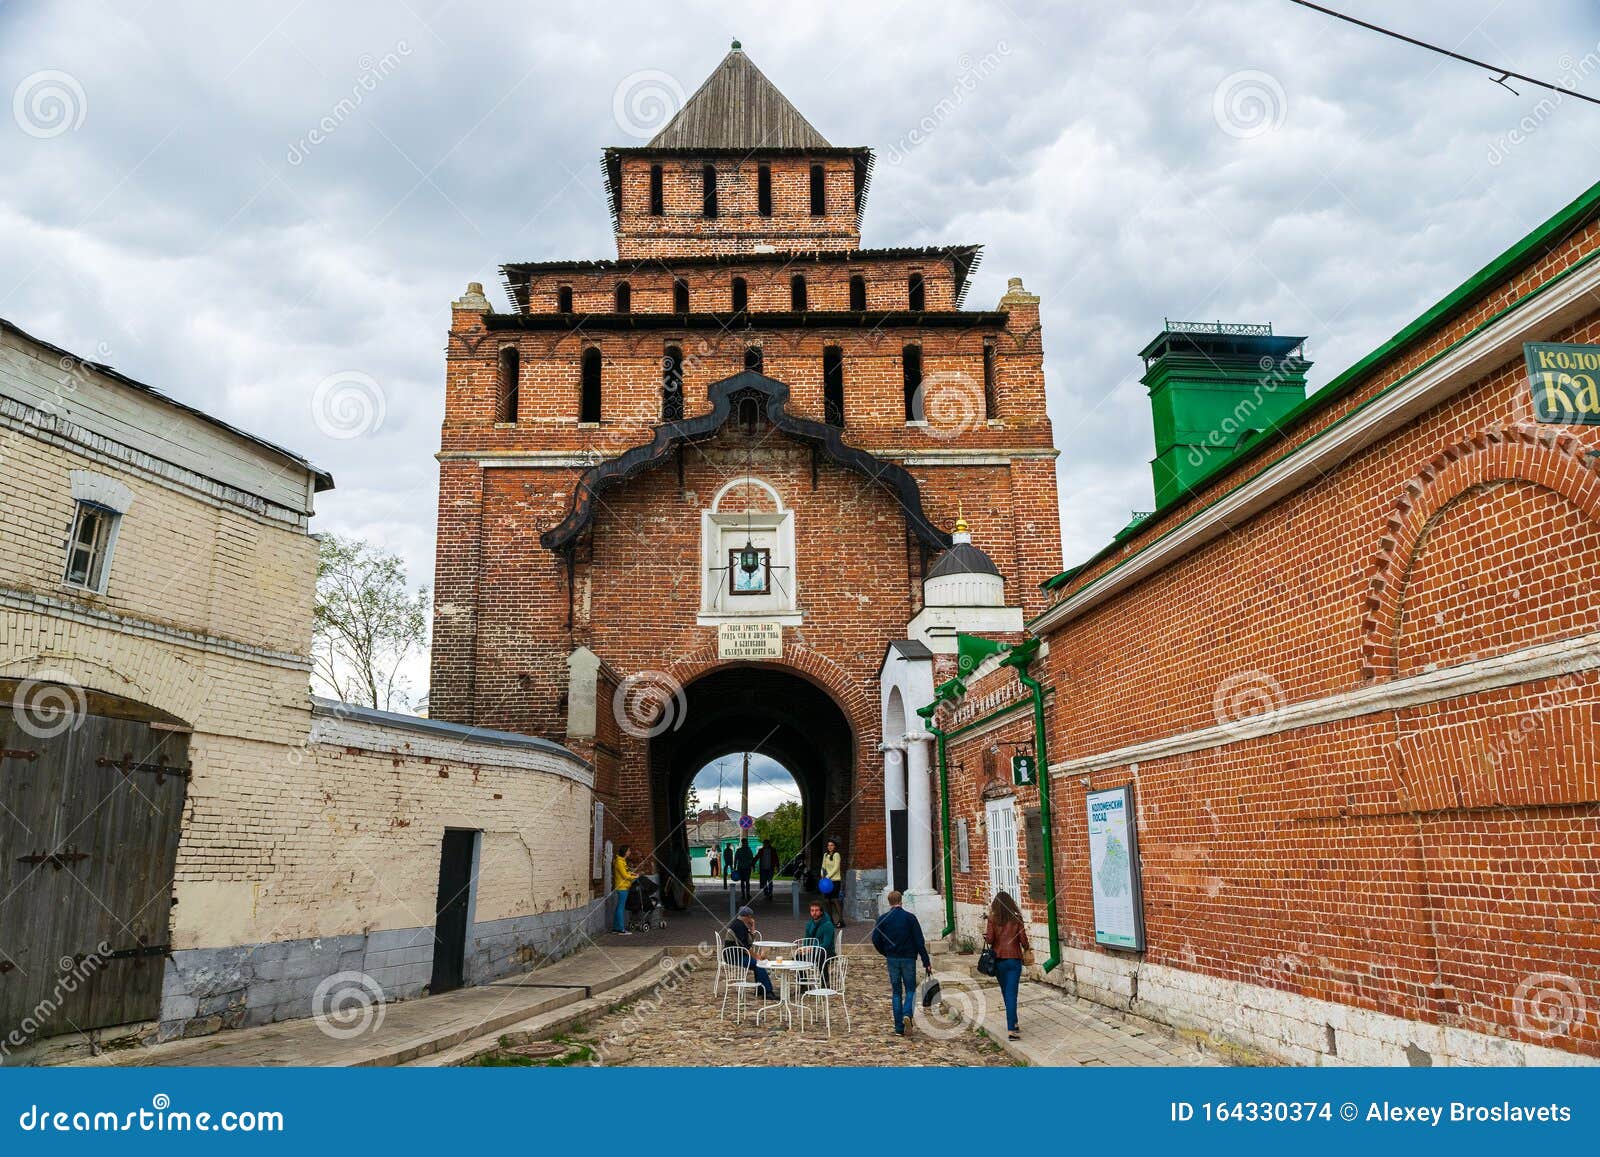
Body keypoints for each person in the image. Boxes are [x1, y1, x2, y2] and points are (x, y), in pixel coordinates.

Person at [870, 890, 931, 1036]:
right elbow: (919, 941)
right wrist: (925, 961)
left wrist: (885, 951)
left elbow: (875, 939)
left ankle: (898, 1027)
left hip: (892, 958)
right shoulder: (910, 918)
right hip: (909, 958)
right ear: (901, 901)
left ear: (889, 902)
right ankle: (907, 1013)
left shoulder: (883, 919)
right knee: (910, 989)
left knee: (896, 992)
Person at [985, 891, 1031, 1040]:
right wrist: (1027, 948)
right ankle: (1012, 1027)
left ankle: (1013, 1024)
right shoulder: (1016, 918)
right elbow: (1023, 940)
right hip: (1014, 960)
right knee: (1012, 993)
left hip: (998, 960)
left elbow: (990, 940)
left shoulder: (992, 919)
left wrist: (986, 936)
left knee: (1006, 992)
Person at [724, 905, 776, 999]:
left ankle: (761, 989)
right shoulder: (739, 926)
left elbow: (750, 942)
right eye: (750, 917)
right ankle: (768, 991)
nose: (751, 919)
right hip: (734, 957)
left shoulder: (740, 924)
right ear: (747, 916)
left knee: (757, 964)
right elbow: (746, 947)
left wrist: (752, 927)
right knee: (758, 964)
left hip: (737, 954)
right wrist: (757, 956)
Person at [611, 844, 637, 935]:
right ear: (625, 852)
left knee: (619, 907)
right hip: (622, 887)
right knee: (621, 908)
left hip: (624, 887)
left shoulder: (623, 861)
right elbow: (625, 876)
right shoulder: (619, 862)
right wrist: (634, 877)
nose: (630, 852)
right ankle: (621, 929)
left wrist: (632, 874)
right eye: (629, 851)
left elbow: (627, 872)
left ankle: (615, 928)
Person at [819, 838, 845, 928]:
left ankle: (841, 920)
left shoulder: (836, 855)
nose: (830, 847)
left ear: (835, 847)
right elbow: (823, 867)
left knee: (834, 899)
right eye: (829, 845)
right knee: (827, 900)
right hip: (826, 881)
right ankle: (830, 920)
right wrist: (822, 875)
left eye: (832, 845)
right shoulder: (825, 855)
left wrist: (827, 876)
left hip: (835, 881)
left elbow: (836, 868)